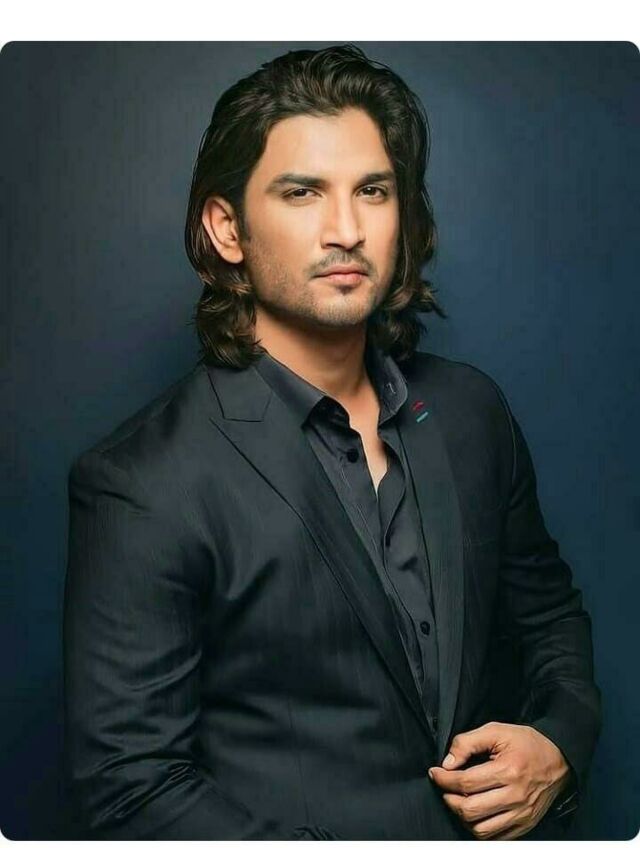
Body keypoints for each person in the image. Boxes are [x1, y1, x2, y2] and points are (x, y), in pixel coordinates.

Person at [63, 44, 601, 840]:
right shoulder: (144, 480)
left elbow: (549, 614)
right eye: (302, 192)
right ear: (227, 229)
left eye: (372, 191)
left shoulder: (471, 411)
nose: (346, 230)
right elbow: (130, 788)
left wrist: (559, 741)